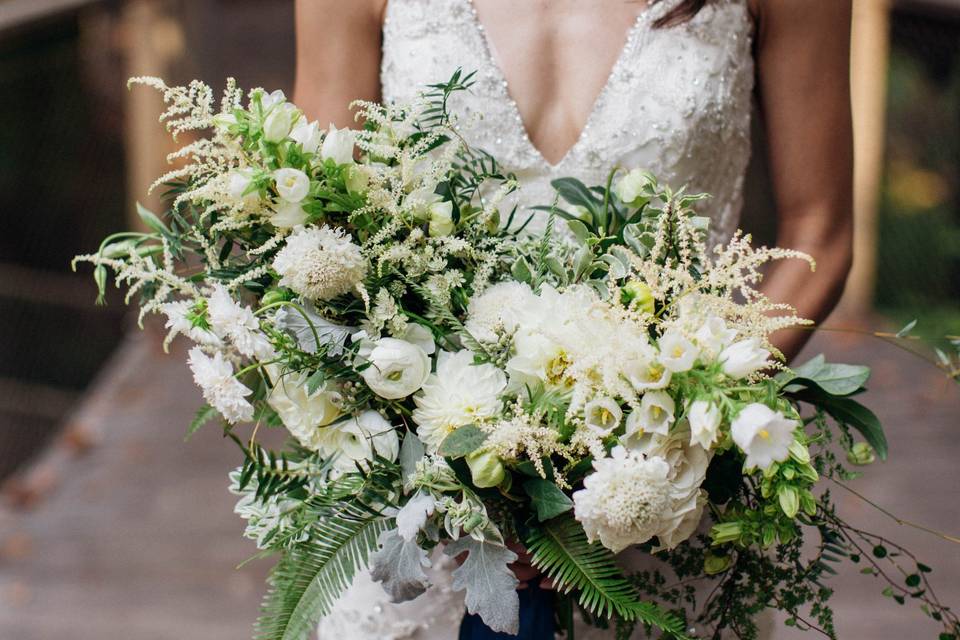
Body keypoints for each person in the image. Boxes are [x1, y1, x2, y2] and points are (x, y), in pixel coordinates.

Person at [294, 1, 853, 638]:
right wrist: (465, 475)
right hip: (425, 510)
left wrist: (673, 431)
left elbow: (821, 233)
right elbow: (319, 226)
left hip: (659, 494)